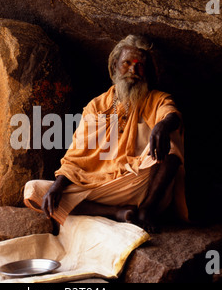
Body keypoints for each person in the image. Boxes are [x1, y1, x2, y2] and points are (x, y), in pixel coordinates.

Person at [24, 35, 188, 232]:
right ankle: (116, 212)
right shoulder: (96, 106)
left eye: (140, 65)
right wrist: (58, 186)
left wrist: (163, 125)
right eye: (127, 63)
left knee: (170, 138)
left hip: (140, 184)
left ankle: (146, 210)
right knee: (34, 190)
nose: (133, 70)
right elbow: (76, 156)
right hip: (99, 187)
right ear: (114, 67)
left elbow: (171, 113)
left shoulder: (155, 99)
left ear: (148, 72)